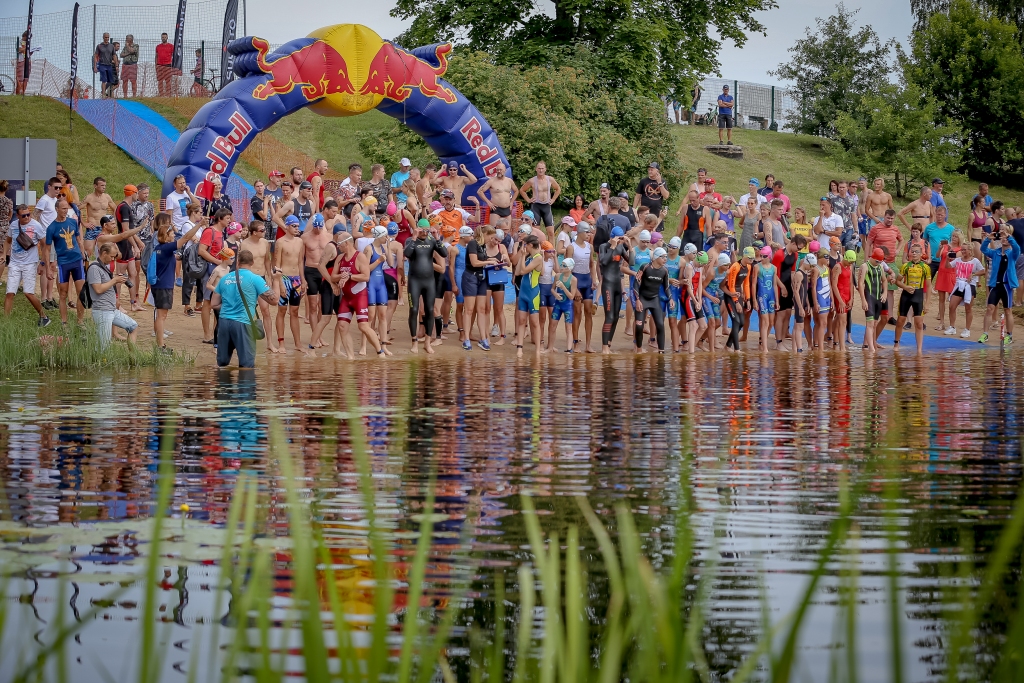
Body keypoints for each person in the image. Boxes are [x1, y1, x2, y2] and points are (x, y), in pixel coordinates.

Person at [209, 251, 277, 368]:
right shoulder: (256, 279)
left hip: (224, 323)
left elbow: (214, 304)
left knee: (222, 365)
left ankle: (222, 385)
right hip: (243, 323)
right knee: (246, 367)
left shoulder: (225, 278)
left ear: (238, 262)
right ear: (252, 263)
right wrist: (277, 280)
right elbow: (274, 300)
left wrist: (229, 307)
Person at [152, 213, 201, 351]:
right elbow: (185, 237)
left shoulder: (159, 249)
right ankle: (161, 345)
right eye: (172, 233)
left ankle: (160, 343)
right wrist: (199, 225)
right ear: (166, 236)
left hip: (160, 285)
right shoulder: (166, 248)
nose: (174, 235)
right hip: (164, 286)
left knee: (161, 314)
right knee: (162, 316)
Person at [404, 217, 448, 354]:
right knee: (414, 310)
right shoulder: (411, 240)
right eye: (422, 230)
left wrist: (437, 238)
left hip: (429, 281)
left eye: (426, 230)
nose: (424, 233)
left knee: (429, 310)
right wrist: (414, 237)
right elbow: (407, 254)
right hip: (414, 281)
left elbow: (444, 253)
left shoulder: (431, 241)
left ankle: (427, 342)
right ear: (417, 228)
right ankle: (414, 342)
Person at [41, 198, 86, 326]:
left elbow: (79, 240)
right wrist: (48, 267)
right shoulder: (52, 228)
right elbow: (47, 248)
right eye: (63, 208)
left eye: (67, 208)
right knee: (63, 294)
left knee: (80, 292)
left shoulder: (72, 222)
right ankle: (64, 322)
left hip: (77, 260)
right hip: (63, 263)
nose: (66, 211)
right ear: (57, 209)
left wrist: (83, 255)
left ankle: (80, 321)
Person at [5, 205, 51, 326]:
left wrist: (42, 262)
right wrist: (4, 254)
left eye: (28, 214)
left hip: (30, 263)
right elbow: (8, 241)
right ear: (18, 216)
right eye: (24, 215)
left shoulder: (36, 225)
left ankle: (43, 316)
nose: (27, 217)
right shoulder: (14, 225)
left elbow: (45, 245)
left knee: (28, 292)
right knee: (9, 292)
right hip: (15, 263)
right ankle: (6, 322)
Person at [88, 243, 137, 345]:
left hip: (111, 310)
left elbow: (106, 284)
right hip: (102, 311)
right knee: (104, 346)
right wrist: (114, 280)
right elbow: (98, 289)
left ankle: (133, 358)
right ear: (104, 253)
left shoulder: (104, 267)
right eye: (111, 256)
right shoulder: (94, 268)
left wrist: (116, 279)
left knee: (133, 326)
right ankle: (100, 360)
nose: (113, 260)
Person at [979, 225, 1020, 346]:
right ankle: (985, 334)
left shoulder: (1012, 253)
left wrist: (1009, 237)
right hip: (995, 285)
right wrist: (988, 238)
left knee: (1008, 310)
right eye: (1002, 237)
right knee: (989, 309)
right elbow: (983, 249)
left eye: (1006, 237)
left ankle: (1010, 335)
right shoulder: (995, 253)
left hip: (1007, 286)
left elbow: (1017, 248)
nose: (1004, 239)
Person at [462, 225, 496, 351]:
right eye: (490, 237)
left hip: (481, 278)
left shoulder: (482, 246)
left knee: (481, 309)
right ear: (485, 234)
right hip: (470, 277)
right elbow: (474, 262)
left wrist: (494, 260)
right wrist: (489, 262)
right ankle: (466, 338)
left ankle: (483, 338)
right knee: (469, 309)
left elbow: (483, 258)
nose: (491, 240)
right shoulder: (472, 243)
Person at [274, 215, 306, 351]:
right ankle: (281, 343)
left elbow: (300, 262)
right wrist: (280, 284)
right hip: (285, 278)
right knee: (281, 310)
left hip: (296, 280)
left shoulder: (300, 242)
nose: (296, 228)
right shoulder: (280, 242)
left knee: (295, 311)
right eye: (294, 226)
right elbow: (277, 265)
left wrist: (303, 280)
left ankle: (298, 344)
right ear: (287, 226)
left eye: (298, 226)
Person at [891, 244, 930, 353]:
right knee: (900, 321)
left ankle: (919, 349)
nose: (913, 253)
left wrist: (927, 304)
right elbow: (898, 281)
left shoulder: (925, 267)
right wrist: (905, 287)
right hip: (906, 295)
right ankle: (896, 343)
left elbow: (929, 286)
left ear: (921, 254)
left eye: (916, 252)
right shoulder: (906, 266)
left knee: (919, 323)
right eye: (912, 251)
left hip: (918, 295)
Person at [566, 222, 597, 352]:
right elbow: (567, 269)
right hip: (576, 281)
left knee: (589, 312)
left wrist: (594, 280)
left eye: (590, 232)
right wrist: (575, 287)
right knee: (577, 312)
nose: (589, 235)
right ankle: (576, 343)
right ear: (579, 232)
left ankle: (588, 345)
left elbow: (591, 264)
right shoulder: (571, 247)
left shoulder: (590, 247)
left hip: (587, 281)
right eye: (587, 232)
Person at [598, 226, 629, 354]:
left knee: (616, 316)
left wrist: (630, 246)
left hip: (617, 284)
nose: (620, 240)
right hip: (608, 285)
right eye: (618, 238)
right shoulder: (604, 247)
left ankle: (609, 343)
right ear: (612, 237)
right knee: (609, 316)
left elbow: (631, 261)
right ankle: (604, 347)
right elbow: (603, 262)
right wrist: (612, 246)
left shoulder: (621, 247)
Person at [302, 211, 333, 336]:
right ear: (312, 225)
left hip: (324, 271)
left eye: (320, 227)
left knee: (322, 305)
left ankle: (318, 335)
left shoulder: (329, 237)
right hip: (311, 271)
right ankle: (315, 335)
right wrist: (302, 278)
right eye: (316, 227)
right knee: (313, 305)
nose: (318, 230)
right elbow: (300, 260)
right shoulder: (305, 237)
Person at [633, 247, 669, 353]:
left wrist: (670, 299)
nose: (665, 259)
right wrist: (638, 300)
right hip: (643, 299)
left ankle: (661, 350)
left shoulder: (664, 271)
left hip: (654, 300)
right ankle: (639, 349)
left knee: (660, 325)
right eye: (663, 257)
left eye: (666, 257)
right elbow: (636, 283)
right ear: (656, 257)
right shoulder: (645, 267)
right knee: (639, 325)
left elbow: (666, 287)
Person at [946, 243, 985, 339]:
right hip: (959, 284)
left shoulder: (975, 261)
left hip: (969, 286)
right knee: (952, 306)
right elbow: (948, 266)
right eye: (962, 250)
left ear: (970, 250)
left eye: (964, 250)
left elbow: (983, 271)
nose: (962, 251)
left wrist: (974, 274)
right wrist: (947, 259)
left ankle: (967, 329)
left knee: (968, 308)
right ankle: (952, 327)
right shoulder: (958, 260)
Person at [512, 235, 543, 358]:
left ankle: (538, 349)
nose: (523, 247)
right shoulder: (529, 257)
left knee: (535, 322)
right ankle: (520, 347)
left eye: (525, 245)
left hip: (533, 294)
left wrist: (523, 256)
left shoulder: (538, 258)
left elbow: (524, 271)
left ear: (530, 245)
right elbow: (519, 272)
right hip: (523, 293)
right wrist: (522, 256)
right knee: (521, 321)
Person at [517, 161, 561, 231]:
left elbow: (558, 189)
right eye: (539, 168)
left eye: (542, 168)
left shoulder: (550, 179)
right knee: (536, 230)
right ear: (536, 169)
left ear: (545, 169)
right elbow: (522, 190)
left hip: (546, 205)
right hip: (536, 206)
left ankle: (551, 242)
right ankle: (537, 242)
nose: (541, 170)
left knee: (551, 231)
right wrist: (528, 200)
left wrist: (553, 199)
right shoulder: (532, 181)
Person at [548, 256, 578, 353]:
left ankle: (569, 349)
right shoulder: (557, 276)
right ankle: (550, 347)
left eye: (564, 265)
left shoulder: (573, 279)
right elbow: (552, 289)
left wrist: (563, 287)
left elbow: (571, 296)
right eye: (562, 264)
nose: (561, 266)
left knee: (568, 328)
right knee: (552, 325)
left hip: (567, 306)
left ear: (569, 268)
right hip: (558, 304)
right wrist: (555, 294)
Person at [682, 246, 709, 353]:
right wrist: (695, 299)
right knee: (693, 325)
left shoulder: (700, 267)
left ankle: (691, 346)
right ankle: (691, 353)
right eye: (702, 263)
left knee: (703, 326)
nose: (702, 266)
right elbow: (688, 287)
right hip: (688, 297)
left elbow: (700, 284)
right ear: (697, 260)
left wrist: (699, 300)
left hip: (696, 298)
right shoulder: (689, 267)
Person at [922, 206, 955, 283]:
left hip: (944, 259)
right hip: (931, 259)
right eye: (938, 214)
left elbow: (954, 243)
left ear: (945, 215)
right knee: (926, 282)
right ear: (935, 214)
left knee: (945, 283)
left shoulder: (951, 228)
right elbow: (924, 242)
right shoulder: (929, 227)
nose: (939, 217)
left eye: (941, 215)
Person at [634, 162, 670, 228]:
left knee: (655, 232)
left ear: (657, 171)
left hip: (656, 211)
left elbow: (666, 196)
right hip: (645, 211)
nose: (650, 171)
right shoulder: (643, 181)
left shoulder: (663, 181)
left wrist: (660, 183)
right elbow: (637, 196)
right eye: (649, 169)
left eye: (652, 169)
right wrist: (634, 209)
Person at [93, 33, 116, 98]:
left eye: (108, 37)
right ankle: (103, 94)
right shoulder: (99, 46)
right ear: (103, 37)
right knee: (103, 80)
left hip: (109, 65)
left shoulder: (111, 46)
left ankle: (110, 94)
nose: (107, 39)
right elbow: (96, 56)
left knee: (110, 81)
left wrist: (116, 65)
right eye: (105, 37)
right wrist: (95, 66)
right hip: (102, 65)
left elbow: (114, 55)